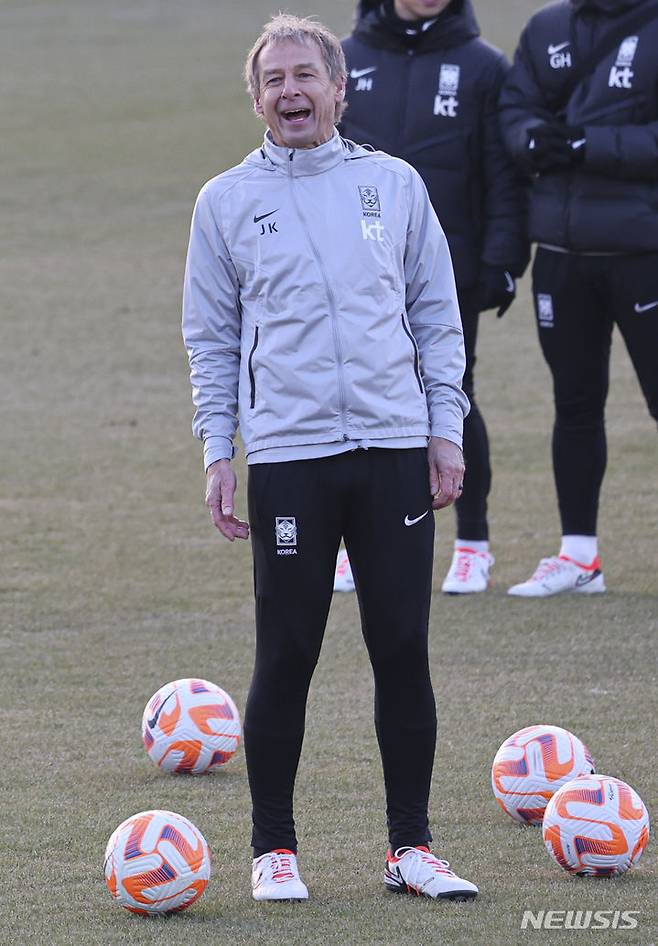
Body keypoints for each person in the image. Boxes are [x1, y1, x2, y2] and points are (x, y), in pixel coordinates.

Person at [182, 13, 478, 903]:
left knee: (401, 648)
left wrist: (444, 426)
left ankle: (411, 850)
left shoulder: (393, 185)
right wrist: (217, 449)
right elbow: (211, 339)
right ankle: (274, 851)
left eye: (305, 75)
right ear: (258, 99)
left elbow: (436, 315)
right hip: (290, 458)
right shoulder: (226, 202)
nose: (291, 92)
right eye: (273, 81)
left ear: (340, 88)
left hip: (391, 450)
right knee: (287, 653)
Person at [334, 0, 529, 595]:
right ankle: (348, 543)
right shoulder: (344, 59)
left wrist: (502, 260)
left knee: (452, 394)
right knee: (356, 395)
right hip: (355, 269)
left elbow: (502, 172)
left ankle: (472, 545)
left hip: (451, 269)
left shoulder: (483, 66)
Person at [499, 0, 658, 597]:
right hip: (563, 258)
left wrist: (588, 144)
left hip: (644, 252)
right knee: (575, 403)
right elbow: (513, 111)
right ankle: (579, 558)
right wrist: (531, 140)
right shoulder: (546, 28)